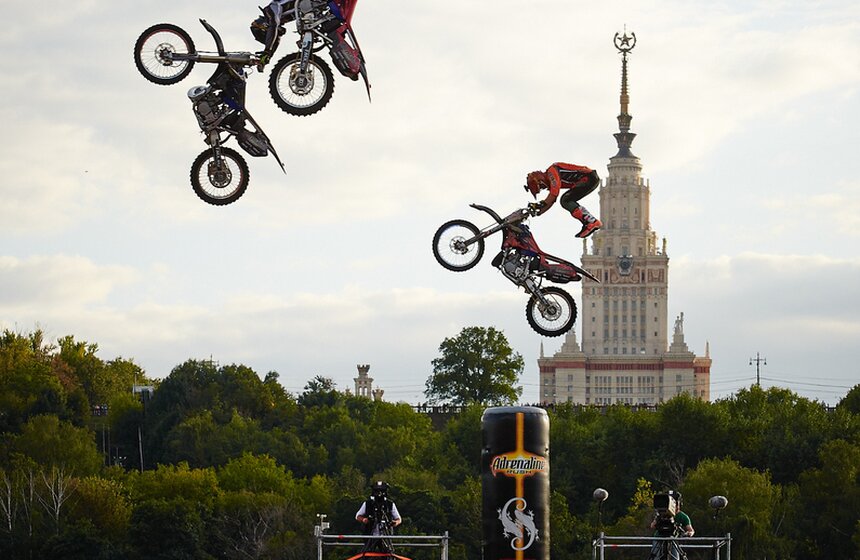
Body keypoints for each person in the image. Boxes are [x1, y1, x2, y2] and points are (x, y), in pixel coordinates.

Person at [524, 162, 602, 239]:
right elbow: (552, 200)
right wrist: (539, 212)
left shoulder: (551, 172)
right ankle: (590, 222)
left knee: (565, 200)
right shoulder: (551, 177)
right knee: (567, 200)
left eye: (541, 186)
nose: (543, 188)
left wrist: (540, 205)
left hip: (588, 177)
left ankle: (592, 222)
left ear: (539, 180)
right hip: (588, 179)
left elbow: (554, 194)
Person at [355, 481, 402, 554]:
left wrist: (395, 523)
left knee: (387, 555)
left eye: (381, 491)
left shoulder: (390, 504)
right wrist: (364, 520)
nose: (379, 493)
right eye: (377, 491)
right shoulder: (368, 504)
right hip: (370, 534)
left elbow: (399, 519)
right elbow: (358, 516)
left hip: (385, 536)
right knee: (367, 554)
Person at [648, 491, 694, 560]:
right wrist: (660, 519)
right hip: (659, 538)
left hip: (673, 539)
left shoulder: (683, 516)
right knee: (655, 557)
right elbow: (652, 526)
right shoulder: (661, 515)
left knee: (675, 558)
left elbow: (691, 530)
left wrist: (687, 534)